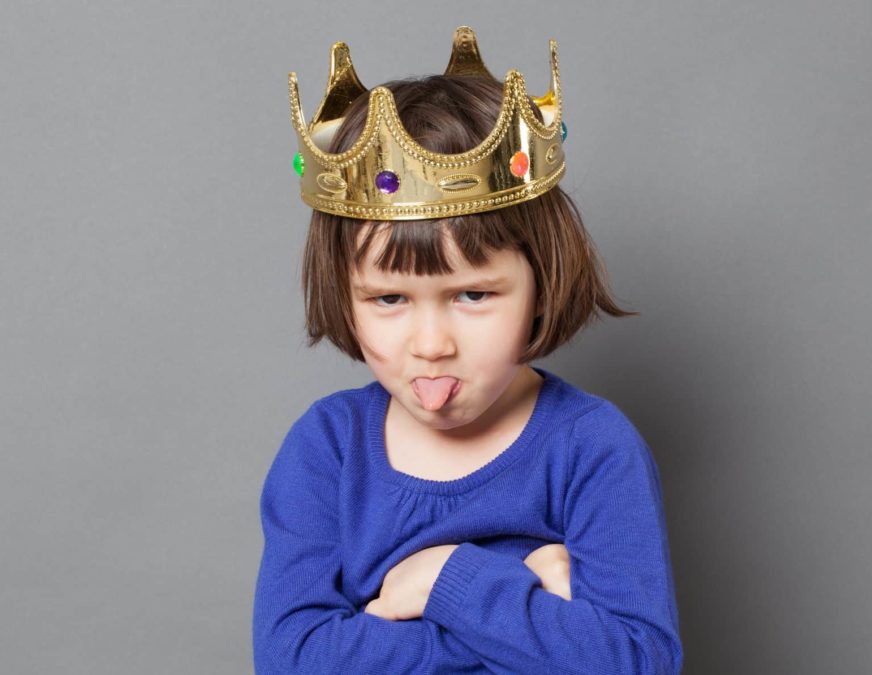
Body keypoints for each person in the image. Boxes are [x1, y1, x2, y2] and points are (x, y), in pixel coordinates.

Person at [253, 26, 683, 674]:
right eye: (389, 299)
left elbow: (635, 662)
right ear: (344, 295)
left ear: (542, 283)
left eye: (473, 295)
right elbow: (293, 660)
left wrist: (444, 579)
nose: (431, 345)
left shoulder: (593, 449)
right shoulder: (328, 449)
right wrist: (523, 600)